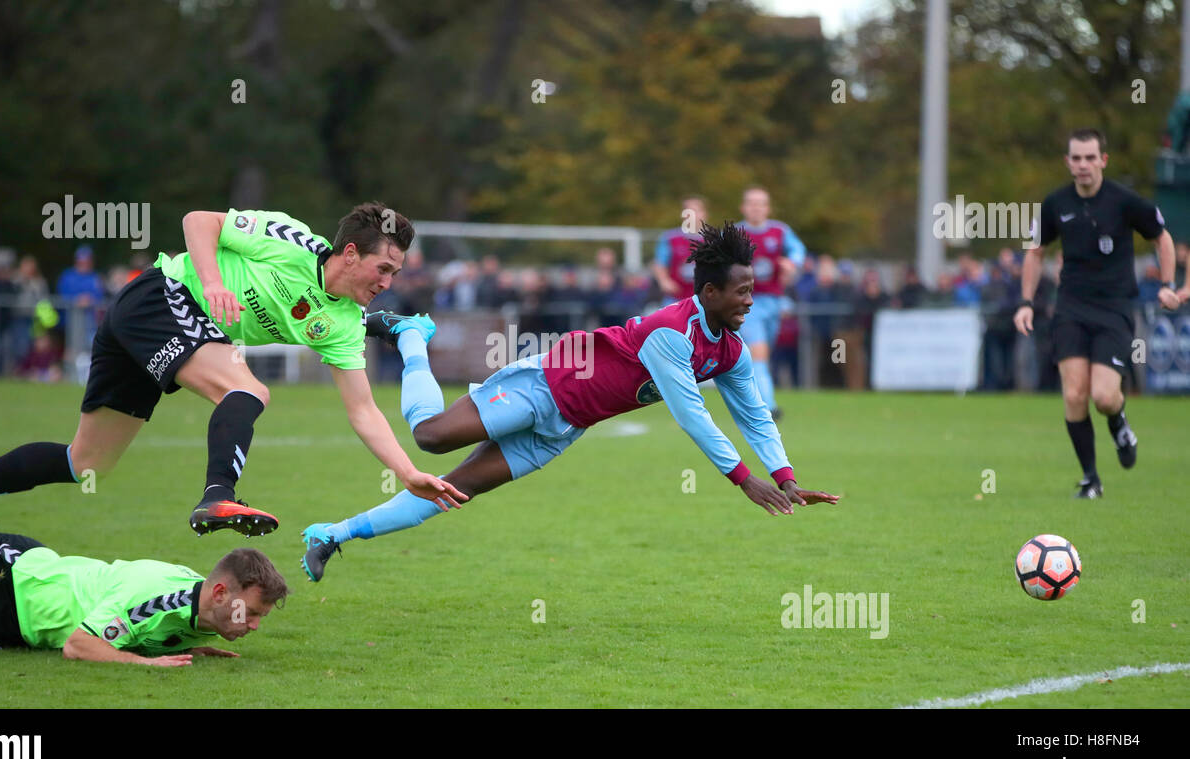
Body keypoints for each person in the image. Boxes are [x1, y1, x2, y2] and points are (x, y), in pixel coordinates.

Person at [0, 203, 466, 556]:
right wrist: (215, 280)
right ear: (349, 252)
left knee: (86, 463)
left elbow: (363, 410)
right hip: (158, 296)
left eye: (396, 273)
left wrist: (409, 472)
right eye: (384, 268)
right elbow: (199, 221)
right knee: (248, 389)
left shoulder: (341, 325)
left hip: (154, 328)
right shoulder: (289, 239)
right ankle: (218, 497)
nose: (389, 282)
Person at [302, 222, 839, 581]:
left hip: (565, 427)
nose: (751, 301)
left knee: (452, 491)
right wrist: (745, 480)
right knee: (430, 439)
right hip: (550, 383)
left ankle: (332, 534)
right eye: (742, 292)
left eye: (752, 290)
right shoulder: (672, 333)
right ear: (710, 294)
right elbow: (691, 416)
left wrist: (786, 476)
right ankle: (411, 335)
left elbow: (755, 416)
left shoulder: (731, 351)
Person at [1015, 128, 1181, 498]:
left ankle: (1118, 422)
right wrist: (1025, 303)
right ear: (1068, 162)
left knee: (1104, 396)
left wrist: (1168, 284)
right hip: (1071, 308)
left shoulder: (1125, 201)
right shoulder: (1056, 203)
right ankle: (1091, 478)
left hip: (1114, 308)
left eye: (1090, 157)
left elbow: (1161, 237)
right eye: (1076, 158)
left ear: (1102, 160)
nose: (1083, 165)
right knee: (1074, 395)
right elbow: (1035, 250)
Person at [0, 532, 285, 665]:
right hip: (8, 571)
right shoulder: (157, 597)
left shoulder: (206, 614)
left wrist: (186, 649)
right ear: (220, 592)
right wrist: (146, 664)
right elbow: (78, 646)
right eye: (249, 612)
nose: (253, 625)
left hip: (11, 625)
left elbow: (138, 630)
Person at [736, 187, 806, 418]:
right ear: (743, 207)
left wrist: (792, 263)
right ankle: (768, 406)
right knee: (759, 353)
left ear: (768, 208)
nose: (756, 207)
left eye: (761, 203)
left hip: (774, 302)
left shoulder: (779, 231)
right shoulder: (735, 232)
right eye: (751, 203)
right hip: (747, 302)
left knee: (763, 353)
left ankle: (752, 398)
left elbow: (798, 250)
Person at [651, 196, 708, 304]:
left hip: (706, 300)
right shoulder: (670, 238)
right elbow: (659, 263)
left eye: (696, 211)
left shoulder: (715, 239)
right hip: (676, 298)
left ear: (704, 213)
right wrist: (664, 281)